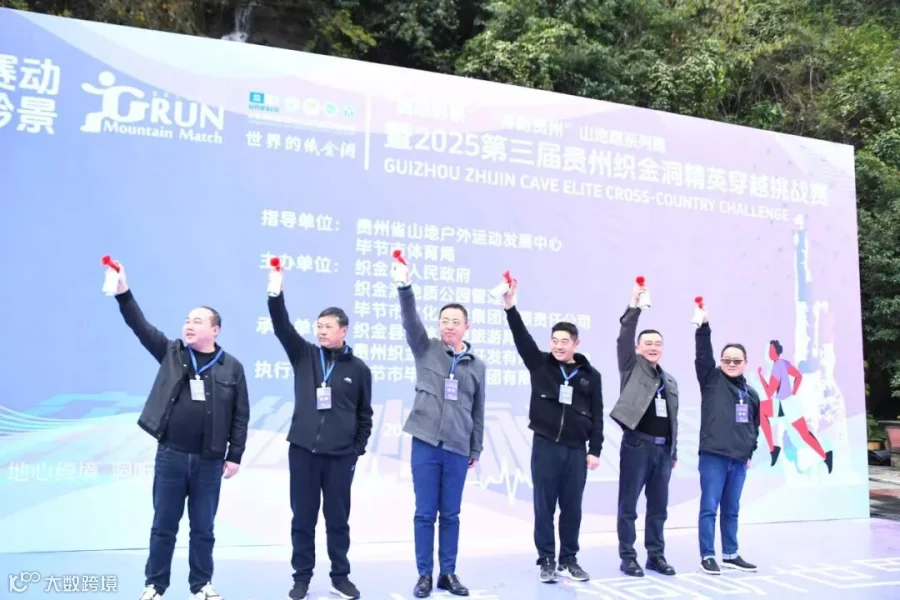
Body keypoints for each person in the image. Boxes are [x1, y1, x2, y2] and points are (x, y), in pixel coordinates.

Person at [109, 262, 249, 600]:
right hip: (171, 455)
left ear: (215, 330)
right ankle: (155, 585)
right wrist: (123, 292)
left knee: (203, 529)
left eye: (197, 321)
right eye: (187, 320)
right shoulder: (172, 353)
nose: (189, 325)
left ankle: (201, 585)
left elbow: (240, 415)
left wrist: (235, 455)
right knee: (163, 527)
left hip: (210, 461)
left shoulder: (232, 367)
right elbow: (139, 325)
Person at [267, 267, 373, 600]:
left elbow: (365, 414)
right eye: (318, 326)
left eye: (328, 327)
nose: (322, 331)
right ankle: (301, 578)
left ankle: (340, 578)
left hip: (340, 457)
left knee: (338, 521)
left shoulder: (359, 370)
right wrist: (275, 293)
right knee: (303, 519)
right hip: (303, 452)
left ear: (344, 330)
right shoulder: (304, 355)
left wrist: (356, 449)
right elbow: (281, 326)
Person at [393, 258, 485, 598]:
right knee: (424, 514)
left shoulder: (477, 366)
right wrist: (405, 286)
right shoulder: (426, 349)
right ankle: (424, 575)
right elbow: (410, 320)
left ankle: (448, 573)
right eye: (444, 321)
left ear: (466, 327)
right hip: (426, 443)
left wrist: (475, 448)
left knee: (451, 515)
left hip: (458, 447)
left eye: (455, 322)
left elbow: (478, 410)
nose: (449, 326)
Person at [501, 279, 603, 583]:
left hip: (576, 449)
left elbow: (597, 415)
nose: (558, 345)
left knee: (572, 508)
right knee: (543, 506)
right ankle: (546, 559)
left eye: (564, 341)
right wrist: (510, 307)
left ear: (576, 344)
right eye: (555, 340)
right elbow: (522, 339)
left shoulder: (591, 376)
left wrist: (595, 450)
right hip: (546, 445)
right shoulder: (541, 365)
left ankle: (568, 559)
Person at [609, 282, 679, 578]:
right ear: (638, 348)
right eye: (647, 343)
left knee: (659, 508)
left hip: (663, 451)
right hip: (637, 445)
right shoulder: (631, 367)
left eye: (657, 344)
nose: (653, 347)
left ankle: (656, 556)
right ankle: (628, 557)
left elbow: (673, 419)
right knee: (628, 505)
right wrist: (635, 305)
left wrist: (673, 451)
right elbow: (624, 335)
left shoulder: (670, 380)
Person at [694, 304, 759, 575]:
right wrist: (703, 328)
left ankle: (730, 554)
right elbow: (703, 356)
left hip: (738, 461)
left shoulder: (751, 394)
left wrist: (749, 453)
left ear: (745, 363)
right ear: (720, 362)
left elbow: (754, 426)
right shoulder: (711, 380)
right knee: (710, 508)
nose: (731, 364)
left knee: (732, 510)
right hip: (713, 456)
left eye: (736, 361)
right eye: (727, 360)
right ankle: (707, 555)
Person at [757, 340, 833, 471]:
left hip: (784, 404)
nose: (769, 352)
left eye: (771, 350)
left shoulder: (777, 367)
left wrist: (760, 377)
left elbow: (769, 393)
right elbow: (798, 376)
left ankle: (773, 449)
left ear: (776, 351)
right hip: (789, 403)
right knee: (805, 434)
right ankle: (825, 456)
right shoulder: (784, 363)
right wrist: (793, 392)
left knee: (761, 410)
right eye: (769, 350)